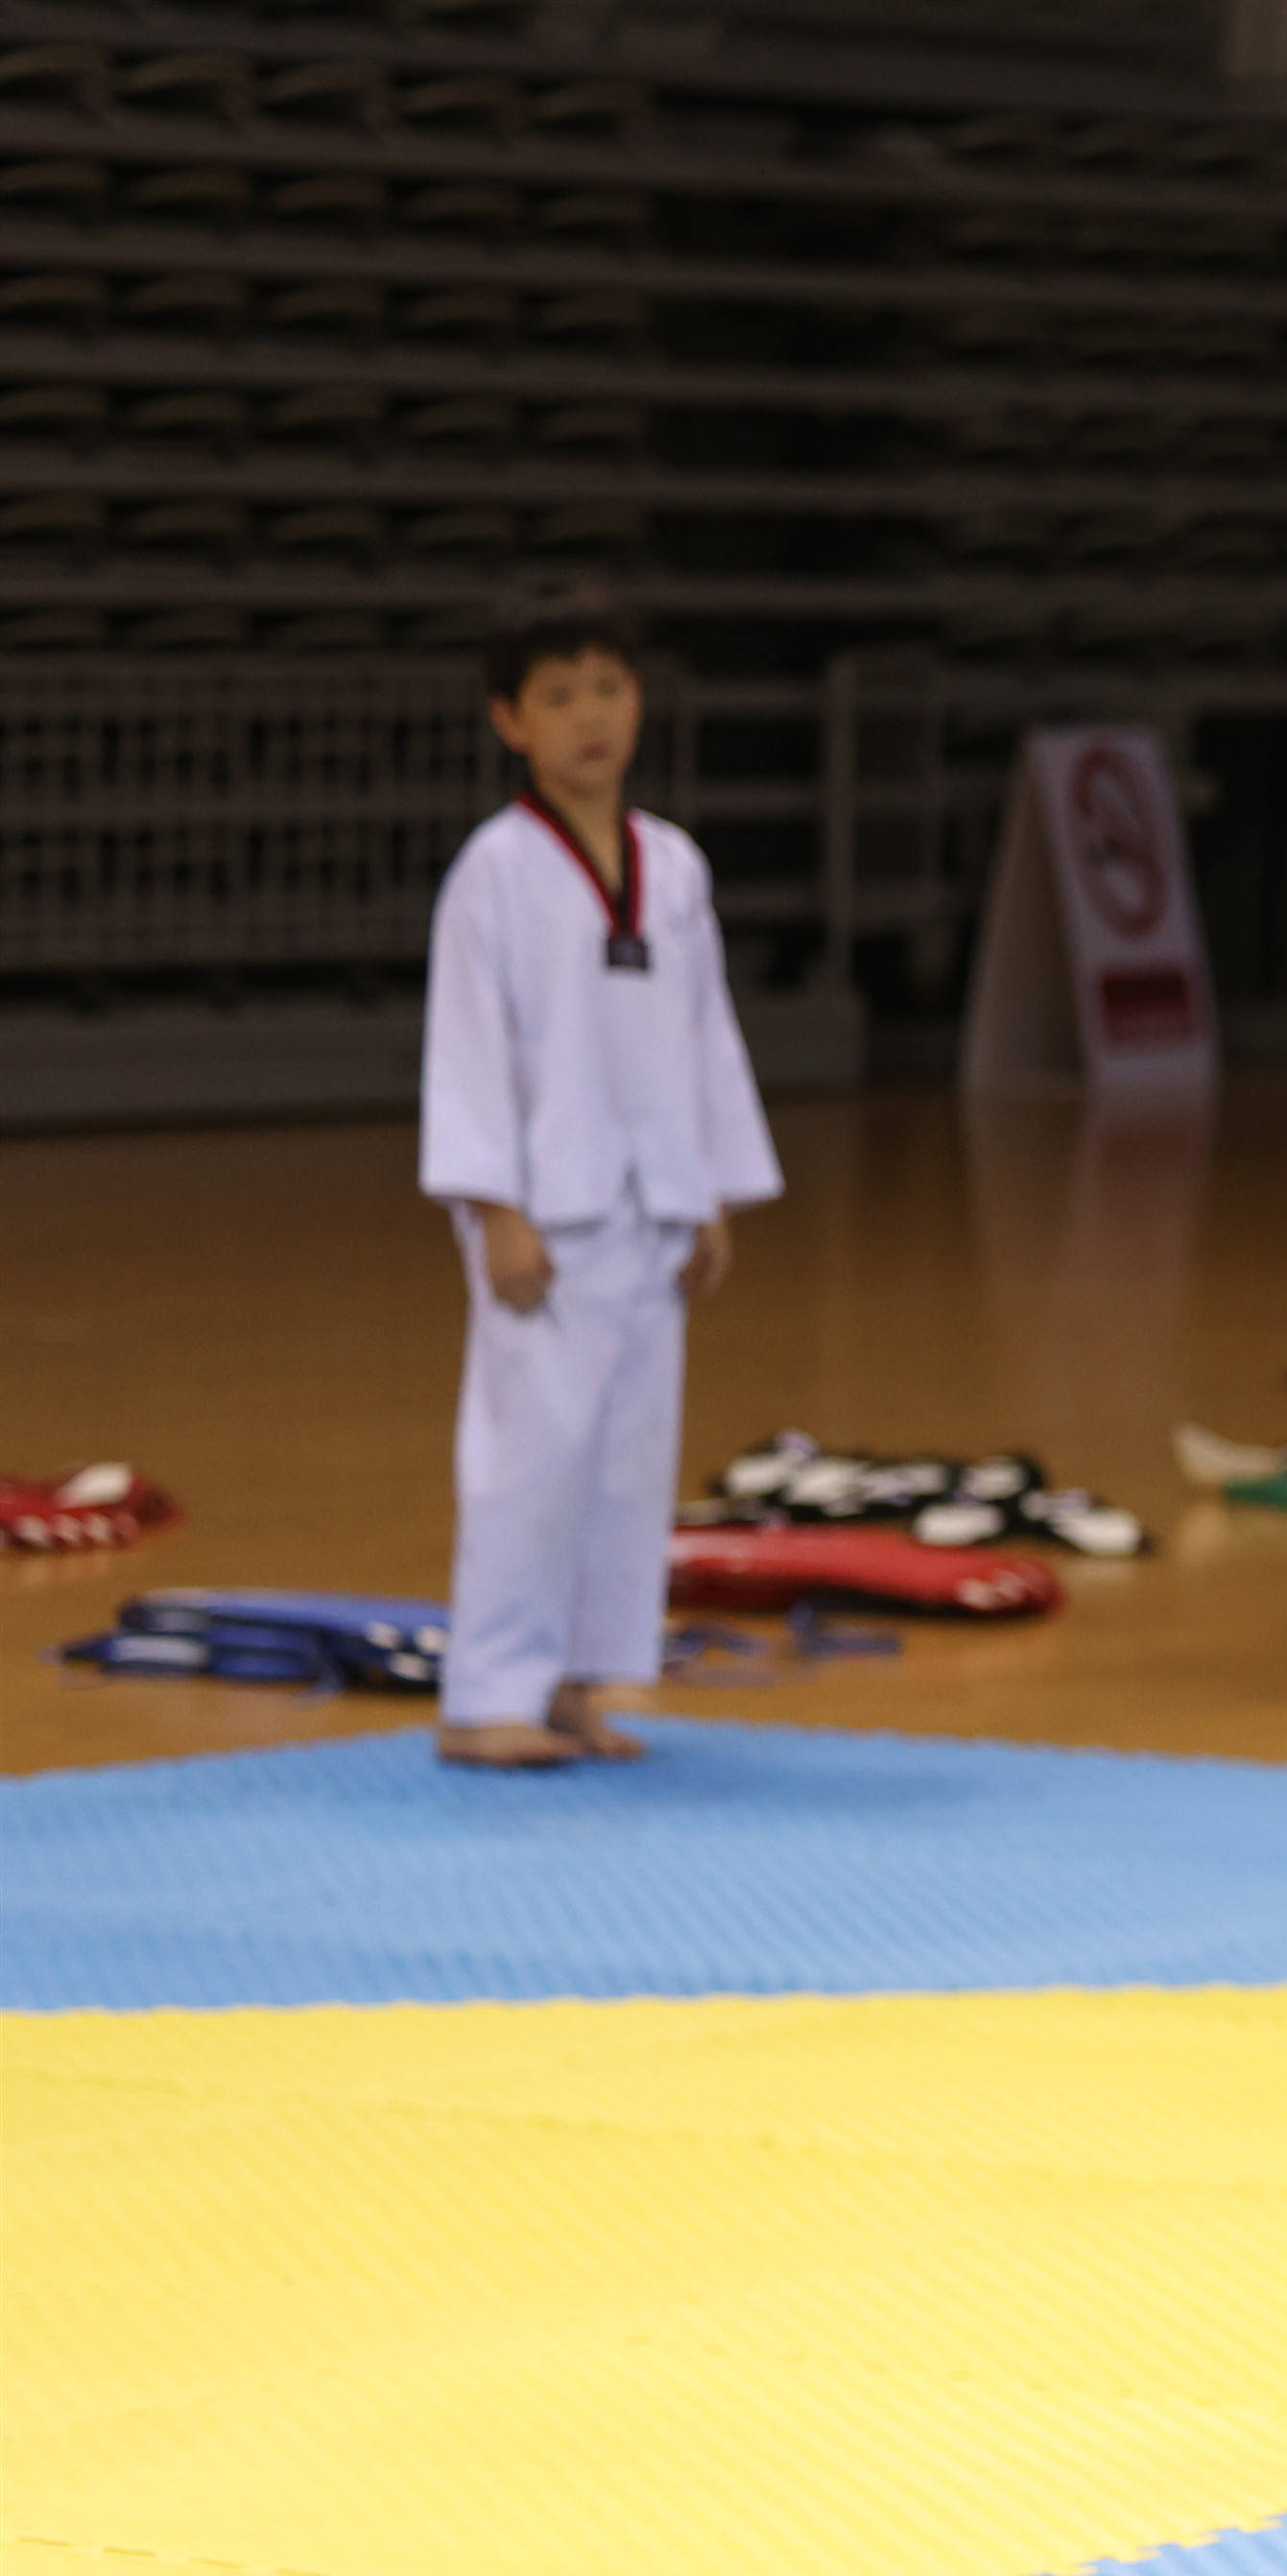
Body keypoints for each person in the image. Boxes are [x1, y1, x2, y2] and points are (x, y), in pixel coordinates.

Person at [418, 588, 773, 1768]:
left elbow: (704, 1032)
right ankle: (486, 1697)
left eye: (609, 689)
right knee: (531, 1453)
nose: (591, 718)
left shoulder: (670, 865)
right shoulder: (497, 871)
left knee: (627, 1461)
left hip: (652, 1205)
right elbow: (467, 1047)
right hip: (543, 1216)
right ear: (509, 722)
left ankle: (577, 1679)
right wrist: (493, 1206)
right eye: (559, 696)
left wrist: (713, 1183)